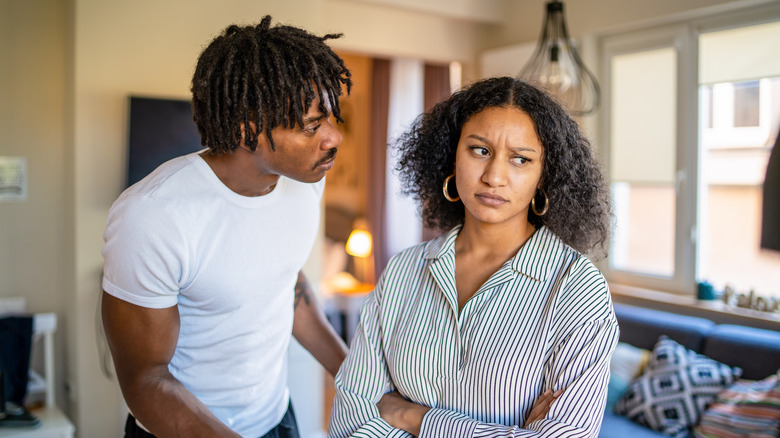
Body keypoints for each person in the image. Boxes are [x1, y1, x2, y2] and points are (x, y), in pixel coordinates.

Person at [101, 16, 352, 438]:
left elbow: (286, 285)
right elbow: (146, 381)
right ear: (247, 128)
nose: (333, 138)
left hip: (278, 419)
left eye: (330, 118)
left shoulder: (305, 183)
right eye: (311, 125)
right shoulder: (152, 216)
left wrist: (355, 376)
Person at [328, 76, 619, 437]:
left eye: (520, 159)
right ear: (452, 154)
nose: (494, 176)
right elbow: (349, 418)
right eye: (480, 150)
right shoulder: (404, 271)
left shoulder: (577, 289)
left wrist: (414, 417)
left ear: (544, 177)